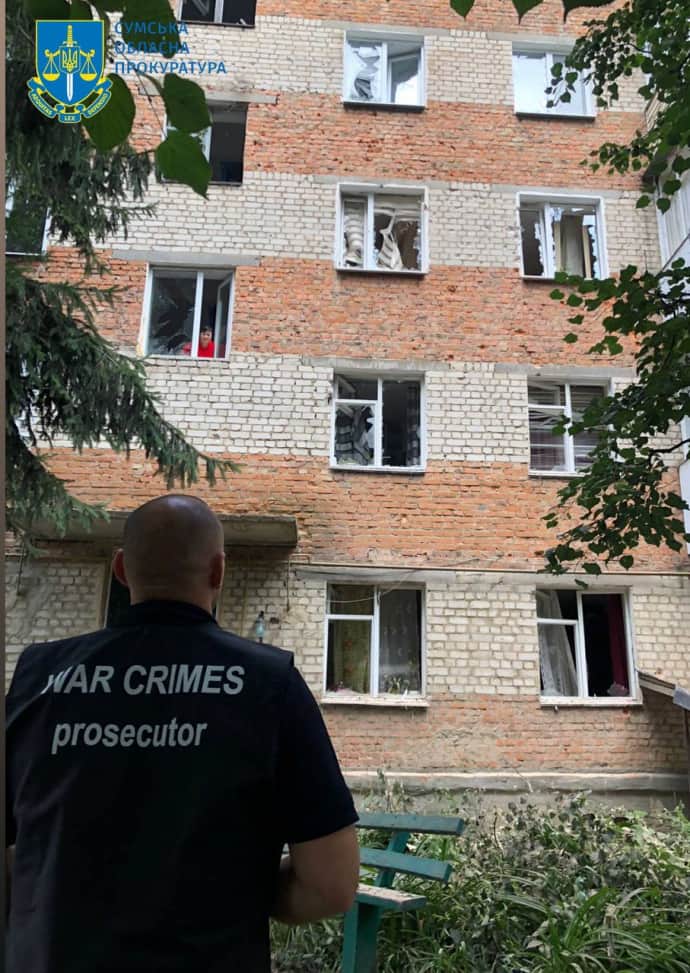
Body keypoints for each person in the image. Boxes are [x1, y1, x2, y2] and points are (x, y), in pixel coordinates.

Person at [5, 495, 360, 973]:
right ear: (218, 571)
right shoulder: (268, 684)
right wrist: (240, 893)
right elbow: (330, 885)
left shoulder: (38, 677)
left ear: (121, 569)